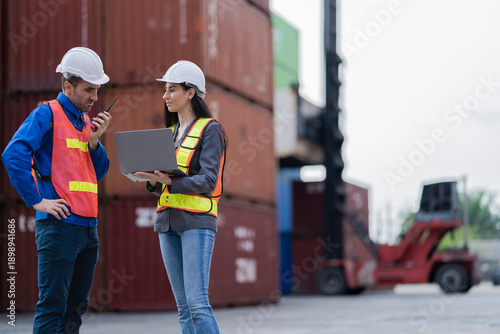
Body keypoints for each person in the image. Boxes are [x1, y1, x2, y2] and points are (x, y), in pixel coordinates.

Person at [2, 47, 111, 333]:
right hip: (59, 227)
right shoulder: (46, 113)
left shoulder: (86, 123)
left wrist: (95, 143)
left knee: (74, 312)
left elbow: (97, 173)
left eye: (97, 90)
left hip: (88, 230)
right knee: (52, 309)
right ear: (68, 86)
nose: (94, 98)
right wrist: (37, 201)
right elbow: (13, 154)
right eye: (89, 90)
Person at [133, 60, 226, 334]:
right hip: (167, 223)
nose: (165, 96)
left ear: (190, 93)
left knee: (197, 305)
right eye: (165, 90)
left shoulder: (211, 130)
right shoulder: (169, 134)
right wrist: (150, 179)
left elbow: (208, 180)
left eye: (172, 89)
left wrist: (169, 180)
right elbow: (161, 185)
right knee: (184, 308)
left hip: (196, 222)